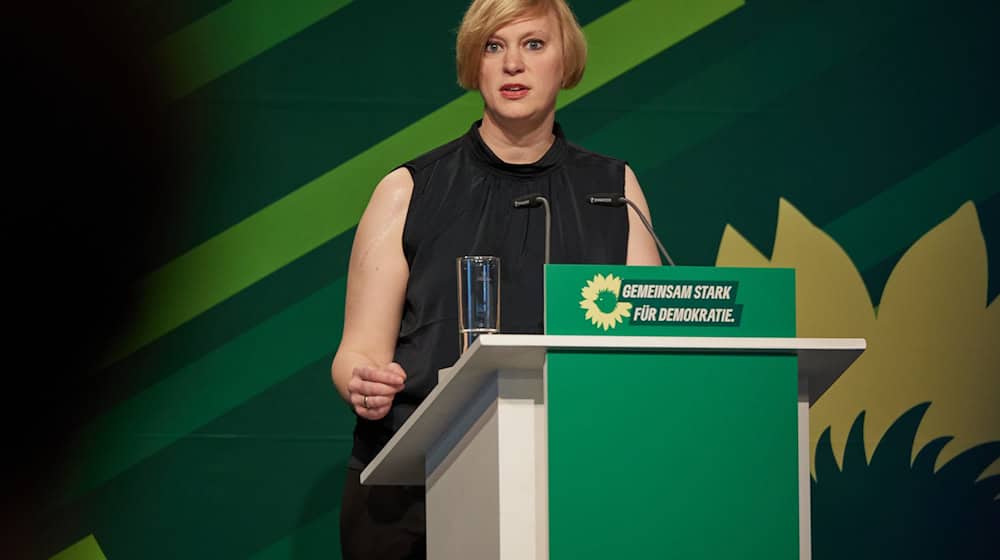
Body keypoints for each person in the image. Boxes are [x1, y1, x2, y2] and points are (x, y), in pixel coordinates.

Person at [331, 0, 660, 557]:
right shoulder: (408, 190)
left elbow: (646, 350)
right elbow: (357, 352)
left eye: (533, 44)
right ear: (473, 66)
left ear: (565, 62)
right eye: (493, 46)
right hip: (415, 495)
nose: (513, 64)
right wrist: (362, 382)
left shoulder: (613, 190)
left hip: (571, 486)